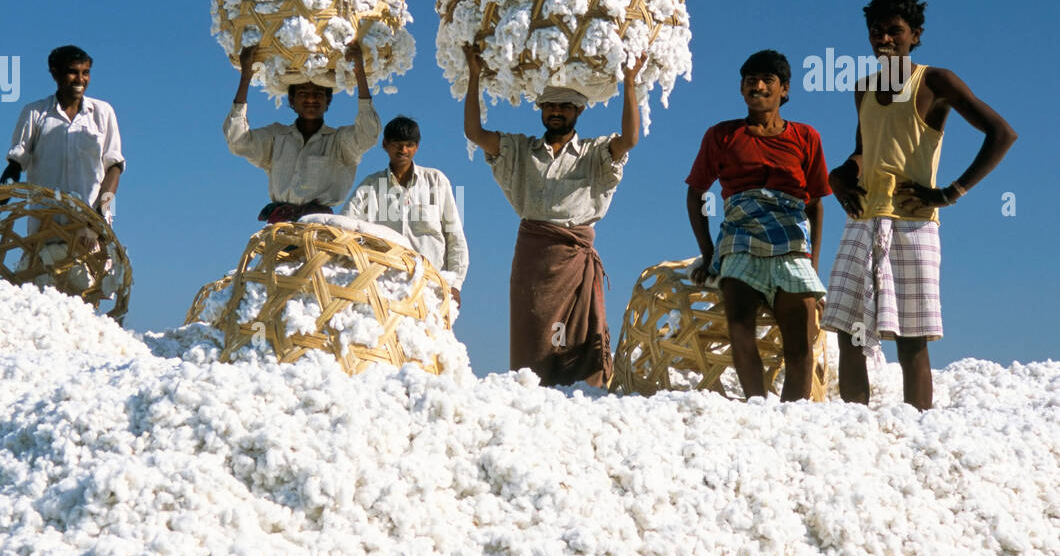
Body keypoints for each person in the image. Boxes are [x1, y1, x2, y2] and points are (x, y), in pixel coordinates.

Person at [822, 0, 1017, 410]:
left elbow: (1002, 134)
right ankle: (855, 425)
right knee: (846, 328)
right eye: (877, 31)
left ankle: (917, 427)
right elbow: (865, 150)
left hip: (914, 223)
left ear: (916, 35)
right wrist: (840, 176)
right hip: (863, 217)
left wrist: (951, 192)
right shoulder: (863, 89)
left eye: (895, 31)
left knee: (912, 338)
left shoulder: (934, 81)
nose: (885, 40)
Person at [464, 44, 645, 388]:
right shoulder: (519, 150)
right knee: (533, 349)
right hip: (534, 260)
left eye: (564, 106)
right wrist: (474, 75)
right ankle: (531, 403)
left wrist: (630, 81)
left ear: (578, 110)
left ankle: (581, 403)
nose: (556, 112)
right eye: (550, 106)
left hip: (575, 262)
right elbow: (475, 133)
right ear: (541, 111)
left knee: (576, 345)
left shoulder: (594, 153)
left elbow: (631, 139)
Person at [685, 50, 831, 402]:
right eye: (751, 81)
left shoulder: (806, 137)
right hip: (740, 241)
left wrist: (812, 266)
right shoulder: (721, 136)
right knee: (739, 328)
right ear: (741, 88)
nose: (759, 86)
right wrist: (710, 254)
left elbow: (814, 204)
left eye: (768, 80)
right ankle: (756, 407)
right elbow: (695, 194)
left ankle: (792, 414)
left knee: (801, 340)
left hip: (791, 243)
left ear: (785, 90)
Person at [225, 41, 380, 223]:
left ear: (328, 101)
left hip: (319, 227)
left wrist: (359, 71)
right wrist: (246, 77)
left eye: (319, 94)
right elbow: (237, 141)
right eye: (303, 94)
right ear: (291, 100)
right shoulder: (276, 137)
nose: (311, 99)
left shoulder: (338, 143)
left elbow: (368, 134)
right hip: (280, 229)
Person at [342, 116, 469, 303]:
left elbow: (455, 236)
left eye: (409, 144)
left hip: (431, 287)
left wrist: (455, 284)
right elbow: (344, 226)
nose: (403, 150)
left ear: (416, 147)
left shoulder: (436, 181)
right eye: (397, 144)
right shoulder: (371, 185)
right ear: (385, 145)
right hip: (383, 287)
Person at [0, 45, 124, 225]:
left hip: (90, 228)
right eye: (72, 72)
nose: (80, 79)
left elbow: (114, 167)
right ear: (54, 73)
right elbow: (14, 167)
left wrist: (100, 212)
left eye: (86, 73)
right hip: (45, 227)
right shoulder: (35, 113)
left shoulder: (103, 113)